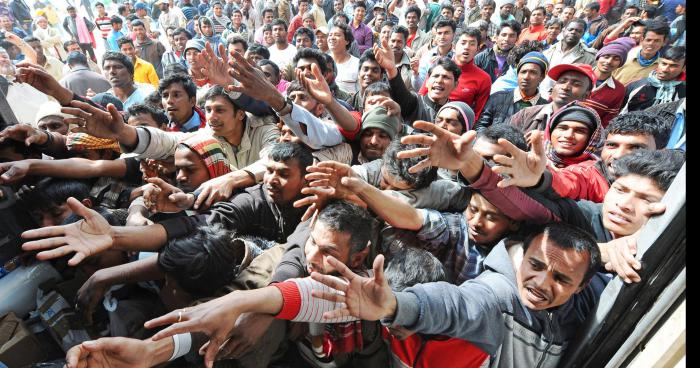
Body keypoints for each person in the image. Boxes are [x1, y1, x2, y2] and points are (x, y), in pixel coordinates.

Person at [309, 221, 607, 368]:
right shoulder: (495, 296)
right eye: (536, 265)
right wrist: (397, 306)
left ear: (581, 286)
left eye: (561, 279)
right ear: (522, 254)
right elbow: (454, 304)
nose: (541, 283)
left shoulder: (591, 297)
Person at [419, 27, 491, 120]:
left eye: (472, 44)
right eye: (463, 43)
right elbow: (422, 95)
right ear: (454, 46)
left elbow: (478, 114)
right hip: (426, 117)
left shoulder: (483, 79)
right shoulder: (439, 67)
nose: (467, 47)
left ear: (478, 49)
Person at [508, 62, 593, 133]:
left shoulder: (590, 126)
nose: (565, 87)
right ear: (553, 87)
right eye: (562, 81)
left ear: (586, 95)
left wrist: (547, 141)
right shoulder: (526, 114)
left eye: (576, 84)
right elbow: (502, 141)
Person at [476, 51, 548, 131]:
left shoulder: (546, 109)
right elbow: (480, 126)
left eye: (533, 73)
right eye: (523, 72)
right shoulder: (497, 98)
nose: (526, 77)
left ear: (542, 77)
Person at [622, 46, 685, 112]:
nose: (665, 69)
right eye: (664, 63)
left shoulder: (683, 93)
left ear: (684, 68)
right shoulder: (638, 84)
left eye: (673, 66)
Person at [586, 38, 632, 127]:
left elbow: (608, 119)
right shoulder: (579, 75)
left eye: (616, 59)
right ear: (598, 57)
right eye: (606, 56)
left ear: (620, 64)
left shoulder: (618, 89)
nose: (609, 61)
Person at [612, 20, 669, 86]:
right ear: (642, 39)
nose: (651, 44)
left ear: (664, 42)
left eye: (657, 41)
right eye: (648, 40)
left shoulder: (662, 67)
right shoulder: (624, 54)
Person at [329, 20, 360, 94]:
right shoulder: (322, 61)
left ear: (347, 41)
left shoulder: (357, 64)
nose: (332, 38)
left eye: (337, 35)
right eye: (330, 35)